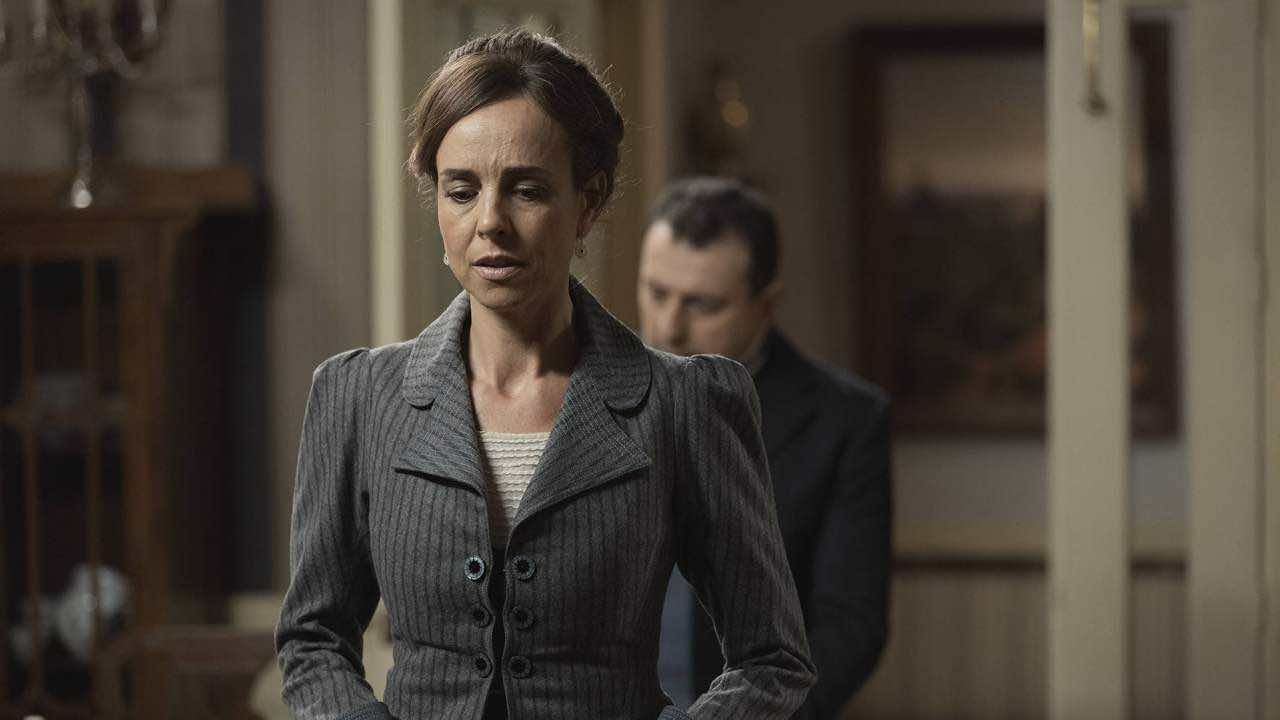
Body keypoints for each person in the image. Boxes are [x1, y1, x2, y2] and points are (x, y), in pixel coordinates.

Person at [275, 31, 815, 720]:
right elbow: (313, 640)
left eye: (526, 190)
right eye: (461, 191)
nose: (490, 222)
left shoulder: (685, 403)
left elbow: (772, 659)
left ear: (588, 202)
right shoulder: (357, 397)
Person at [638, 178, 891, 720]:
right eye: (656, 293)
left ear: (767, 305)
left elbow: (850, 627)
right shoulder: (580, 392)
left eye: (703, 304)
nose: (669, 327)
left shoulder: (845, 420)